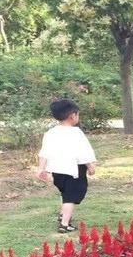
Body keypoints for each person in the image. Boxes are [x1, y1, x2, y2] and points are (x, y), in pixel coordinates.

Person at [37, 99, 97, 233]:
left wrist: (41, 168)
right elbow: (83, 152)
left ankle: (62, 214)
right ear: (72, 115)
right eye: (78, 114)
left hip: (57, 170)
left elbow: (44, 152)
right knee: (72, 196)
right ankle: (64, 224)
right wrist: (90, 166)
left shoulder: (50, 133)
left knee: (65, 193)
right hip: (74, 170)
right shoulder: (76, 133)